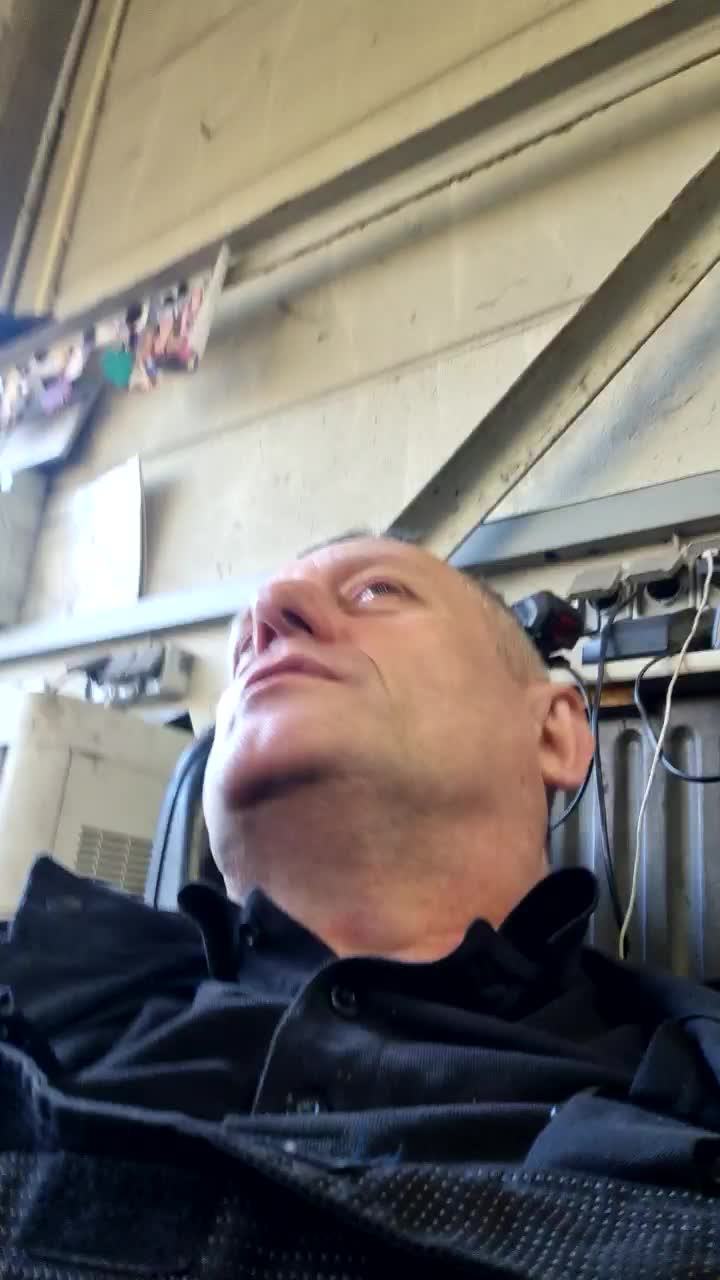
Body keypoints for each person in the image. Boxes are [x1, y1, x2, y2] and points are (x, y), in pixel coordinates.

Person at [1, 534, 720, 1280]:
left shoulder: (687, 1099)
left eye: (376, 591)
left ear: (551, 733)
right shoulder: (40, 1000)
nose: (267, 612)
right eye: (242, 644)